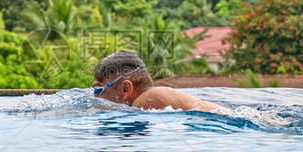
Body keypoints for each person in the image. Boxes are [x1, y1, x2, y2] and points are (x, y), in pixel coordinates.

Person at [93, 50, 225, 112]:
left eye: (99, 89)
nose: (95, 96)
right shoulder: (154, 99)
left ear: (125, 89)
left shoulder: (147, 100)